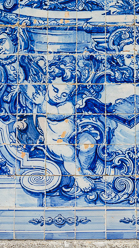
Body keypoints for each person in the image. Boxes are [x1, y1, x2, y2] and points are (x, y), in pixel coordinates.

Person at [27, 55, 97, 192]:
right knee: (68, 151)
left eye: (64, 94)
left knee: (89, 143)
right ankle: (80, 178)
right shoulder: (41, 97)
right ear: (48, 83)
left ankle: (83, 168)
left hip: (72, 136)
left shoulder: (67, 106)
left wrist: (42, 103)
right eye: (55, 89)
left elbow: (54, 113)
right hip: (54, 141)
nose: (59, 95)